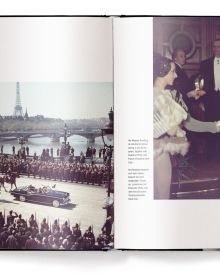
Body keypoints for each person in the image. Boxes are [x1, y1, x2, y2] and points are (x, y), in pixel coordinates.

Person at [153, 56, 190, 199]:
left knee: (157, 194)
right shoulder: (158, 96)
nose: (175, 75)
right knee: (162, 196)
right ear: (163, 72)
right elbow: (170, 129)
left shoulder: (161, 94)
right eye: (173, 71)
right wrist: (180, 123)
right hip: (158, 152)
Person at [200, 38, 220, 158]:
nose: (216, 48)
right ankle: (211, 154)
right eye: (215, 46)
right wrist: (202, 101)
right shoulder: (205, 64)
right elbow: (200, 84)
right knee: (211, 126)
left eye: (219, 46)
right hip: (210, 99)